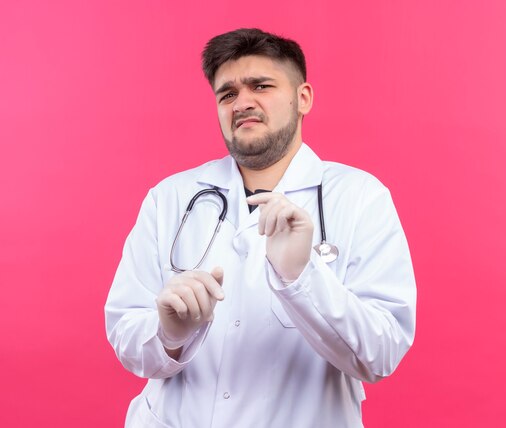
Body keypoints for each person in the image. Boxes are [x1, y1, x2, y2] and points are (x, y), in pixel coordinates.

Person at [105, 28, 416, 428]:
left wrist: (301, 277)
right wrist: (168, 334)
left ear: (302, 98)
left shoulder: (359, 198)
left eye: (261, 86)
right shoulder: (170, 198)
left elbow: (381, 353)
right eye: (227, 94)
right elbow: (127, 339)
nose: (242, 103)